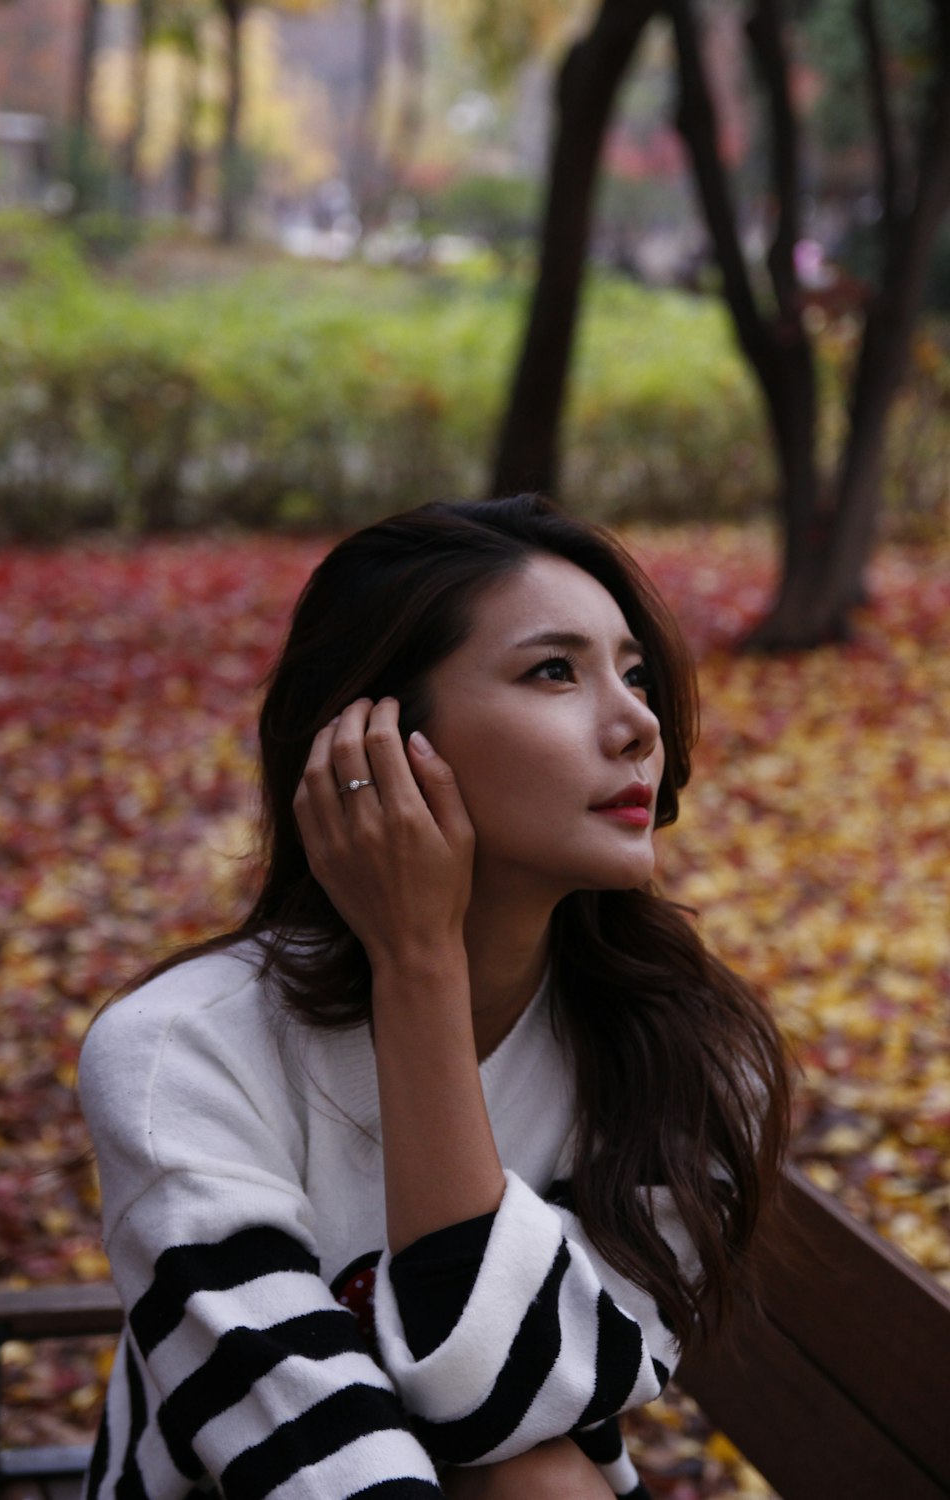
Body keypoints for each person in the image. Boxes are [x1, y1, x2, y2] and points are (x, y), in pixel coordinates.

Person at [79, 495, 791, 1500]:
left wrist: (420, 974)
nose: (639, 724)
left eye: (634, 675)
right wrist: (415, 959)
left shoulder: (693, 1059)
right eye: (554, 671)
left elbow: (499, 1400)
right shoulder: (182, 1052)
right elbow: (324, 1472)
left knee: (535, 1477)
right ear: (374, 743)